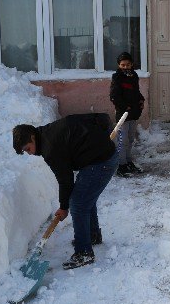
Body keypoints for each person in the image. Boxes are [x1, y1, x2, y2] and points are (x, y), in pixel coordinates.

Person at [12, 114, 118, 269]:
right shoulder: (47, 133)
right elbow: (99, 118)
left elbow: (65, 179)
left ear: (32, 137)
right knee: (85, 197)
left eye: (27, 148)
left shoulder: (50, 148)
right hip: (99, 159)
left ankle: (84, 253)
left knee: (78, 204)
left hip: (101, 163)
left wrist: (64, 207)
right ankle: (92, 235)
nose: (29, 153)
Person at [109, 51, 145, 177]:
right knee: (122, 140)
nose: (125, 67)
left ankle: (128, 161)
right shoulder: (117, 78)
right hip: (123, 114)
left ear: (131, 65)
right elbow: (114, 96)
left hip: (134, 113)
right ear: (119, 65)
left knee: (130, 139)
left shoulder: (133, 76)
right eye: (122, 65)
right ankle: (121, 165)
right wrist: (125, 107)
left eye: (127, 65)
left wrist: (141, 99)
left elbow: (136, 92)